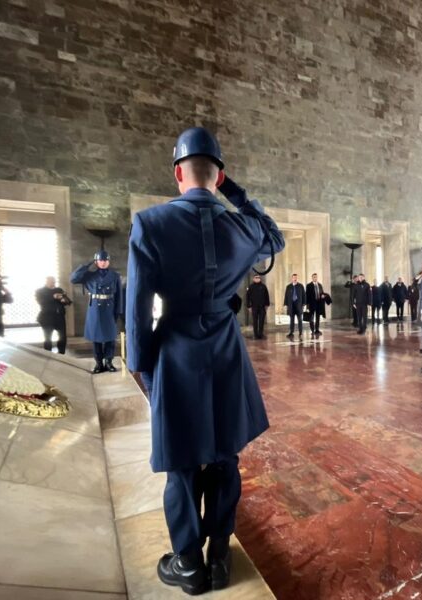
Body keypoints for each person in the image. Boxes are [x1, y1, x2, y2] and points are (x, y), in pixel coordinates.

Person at [125, 126, 284, 595]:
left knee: (182, 461)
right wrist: (235, 192)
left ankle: (189, 564)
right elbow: (274, 237)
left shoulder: (150, 224)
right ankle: (219, 557)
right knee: (223, 457)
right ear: (218, 176)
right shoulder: (245, 227)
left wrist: (143, 367)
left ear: (178, 173)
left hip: (176, 349)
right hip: (226, 349)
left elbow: (137, 309)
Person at [71, 249, 123, 374]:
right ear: (96, 262)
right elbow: (73, 279)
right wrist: (86, 265)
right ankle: (99, 363)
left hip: (109, 308)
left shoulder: (115, 276)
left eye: (105, 260)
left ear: (109, 261)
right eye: (100, 260)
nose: (103, 262)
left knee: (110, 338)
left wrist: (118, 311)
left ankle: (109, 362)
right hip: (94, 309)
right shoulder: (89, 275)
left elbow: (119, 296)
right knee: (96, 338)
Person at [35, 276, 72, 353]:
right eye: (51, 281)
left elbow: (68, 302)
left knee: (62, 337)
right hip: (46, 318)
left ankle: (61, 353)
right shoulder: (40, 291)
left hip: (59, 317)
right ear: (46, 281)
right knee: (48, 337)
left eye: (54, 281)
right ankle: (48, 353)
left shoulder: (59, 290)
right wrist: (53, 297)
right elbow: (41, 302)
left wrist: (64, 299)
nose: (53, 283)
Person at [245, 274, 270, 339]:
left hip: (262, 307)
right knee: (255, 321)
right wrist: (248, 306)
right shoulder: (250, 287)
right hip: (254, 307)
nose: (257, 279)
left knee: (261, 321)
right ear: (253, 279)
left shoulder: (263, 286)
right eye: (256, 277)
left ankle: (260, 334)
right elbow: (247, 297)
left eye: (258, 277)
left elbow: (267, 296)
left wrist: (267, 305)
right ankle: (255, 335)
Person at [284, 273, 305, 340]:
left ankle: (300, 332)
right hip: (291, 306)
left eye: (296, 277)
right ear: (292, 278)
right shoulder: (288, 287)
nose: (295, 279)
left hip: (298, 305)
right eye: (294, 277)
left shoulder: (301, 286)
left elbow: (304, 295)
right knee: (291, 320)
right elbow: (286, 296)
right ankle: (291, 332)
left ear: (297, 278)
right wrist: (286, 304)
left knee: (300, 320)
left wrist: (304, 304)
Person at [305, 273, 326, 338]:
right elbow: (307, 296)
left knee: (318, 318)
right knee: (311, 318)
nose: (315, 278)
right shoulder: (309, 285)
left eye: (316, 277)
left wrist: (323, 296)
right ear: (312, 278)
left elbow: (322, 293)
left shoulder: (320, 285)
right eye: (314, 277)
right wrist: (307, 306)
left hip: (319, 304)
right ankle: (312, 330)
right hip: (311, 304)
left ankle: (317, 329)